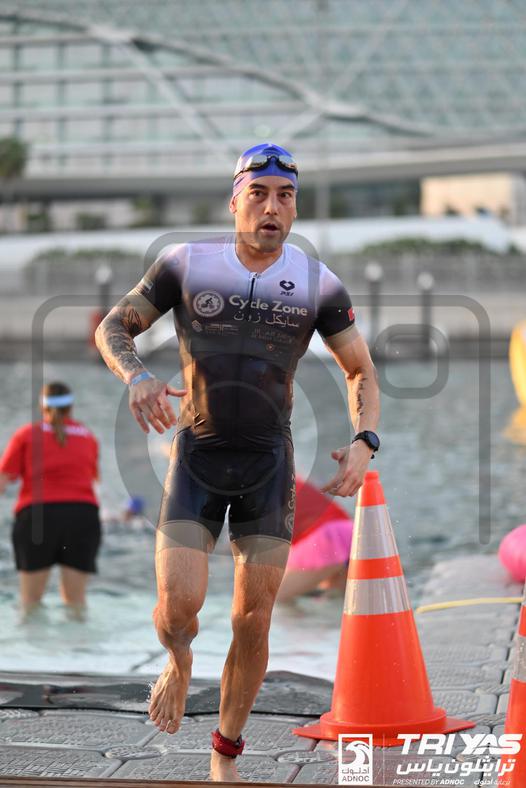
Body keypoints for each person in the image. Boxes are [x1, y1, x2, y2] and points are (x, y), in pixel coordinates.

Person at [95, 142, 380, 781]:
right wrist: (137, 377)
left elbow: (359, 369)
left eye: (285, 196)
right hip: (197, 458)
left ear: (295, 207)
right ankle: (178, 660)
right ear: (234, 202)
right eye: (259, 194)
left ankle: (225, 751)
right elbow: (113, 328)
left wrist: (365, 440)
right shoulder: (185, 264)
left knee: (252, 620)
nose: (272, 208)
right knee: (178, 611)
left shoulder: (319, 283)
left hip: (267, 464)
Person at [0, 382, 101, 620]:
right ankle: (80, 643)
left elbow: (3, 481)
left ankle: (31, 644)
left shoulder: (26, 434)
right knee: (76, 605)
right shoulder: (88, 437)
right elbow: (94, 479)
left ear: (42, 407)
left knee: (30, 603)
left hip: (37, 517)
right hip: (83, 516)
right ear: (71, 407)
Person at [277, 475, 353, 603]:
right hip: (347, 533)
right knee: (342, 601)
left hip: (323, 540)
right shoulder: (287, 476)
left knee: (275, 600)